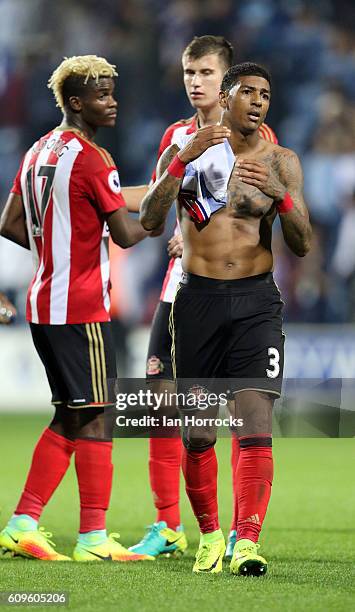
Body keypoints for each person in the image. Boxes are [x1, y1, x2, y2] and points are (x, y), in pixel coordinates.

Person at [140, 62, 312, 575]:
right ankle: (210, 535)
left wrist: (282, 199)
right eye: (249, 92)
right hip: (197, 300)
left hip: (258, 301)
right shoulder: (188, 152)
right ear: (227, 98)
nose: (258, 102)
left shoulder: (282, 160)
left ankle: (248, 541)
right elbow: (150, 220)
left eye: (266, 94)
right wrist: (179, 163)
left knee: (256, 421)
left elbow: (302, 245)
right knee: (198, 433)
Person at [0, 54, 156, 562]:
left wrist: (53, 250)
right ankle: (92, 537)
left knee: (72, 412)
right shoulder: (94, 158)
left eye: (113, 91)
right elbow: (128, 234)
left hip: (43, 301)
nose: (112, 101)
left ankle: (23, 522)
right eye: (101, 94)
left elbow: (9, 223)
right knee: (97, 414)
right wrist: (170, 197)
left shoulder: (37, 149)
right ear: (74, 101)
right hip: (81, 303)